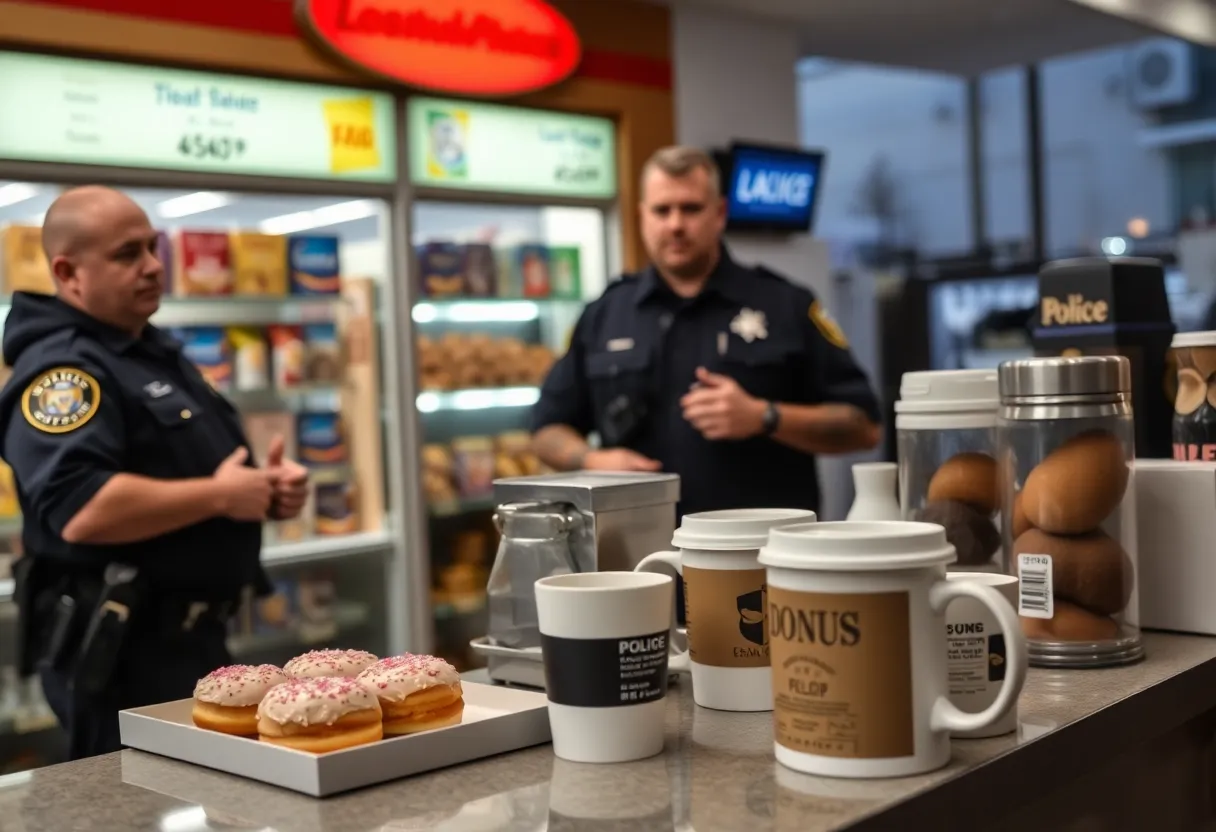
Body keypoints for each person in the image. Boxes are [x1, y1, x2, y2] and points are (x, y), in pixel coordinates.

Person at [0, 185, 310, 760]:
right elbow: (83, 509)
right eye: (127, 255)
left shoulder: (145, 351)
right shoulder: (65, 369)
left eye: (152, 247)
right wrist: (220, 496)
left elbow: (197, 475)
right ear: (68, 273)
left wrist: (264, 492)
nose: (151, 266)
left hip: (192, 641)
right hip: (123, 653)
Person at [530, 146, 882, 519]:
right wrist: (592, 460)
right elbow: (546, 430)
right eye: (662, 210)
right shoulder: (605, 314)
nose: (676, 224)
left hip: (761, 557)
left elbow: (863, 427)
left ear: (719, 214)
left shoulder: (785, 304)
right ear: (641, 217)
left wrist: (765, 416)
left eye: (691, 208)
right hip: (636, 555)